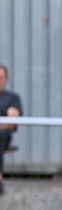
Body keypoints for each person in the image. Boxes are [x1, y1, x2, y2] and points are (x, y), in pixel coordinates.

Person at [0, 64, 22, 196]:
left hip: (3, 137)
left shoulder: (12, 98)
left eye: (1, 77)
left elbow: (12, 122)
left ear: (7, 79)